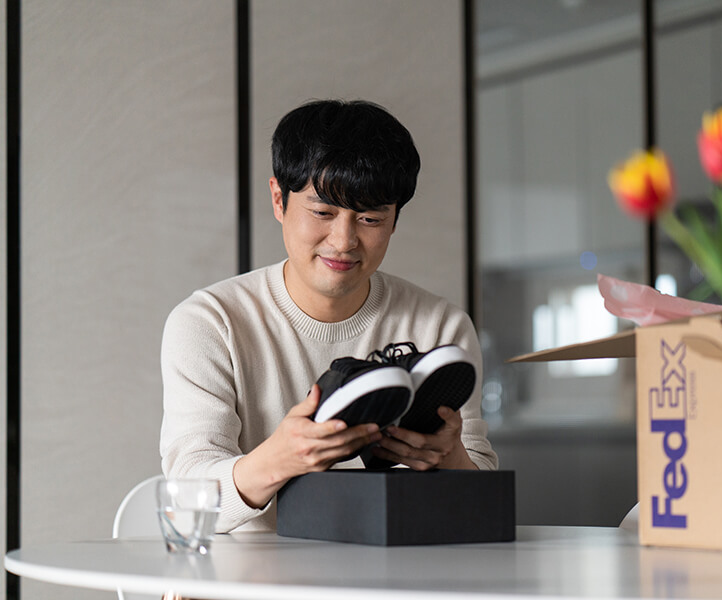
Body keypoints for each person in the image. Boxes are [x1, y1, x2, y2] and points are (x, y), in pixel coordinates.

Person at [159, 99, 498, 533]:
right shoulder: (210, 323)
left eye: (371, 218)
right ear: (279, 200)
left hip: (393, 575)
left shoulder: (440, 325)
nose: (343, 240)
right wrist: (281, 458)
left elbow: (484, 502)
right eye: (322, 212)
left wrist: (449, 457)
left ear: (395, 221)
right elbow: (187, 493)